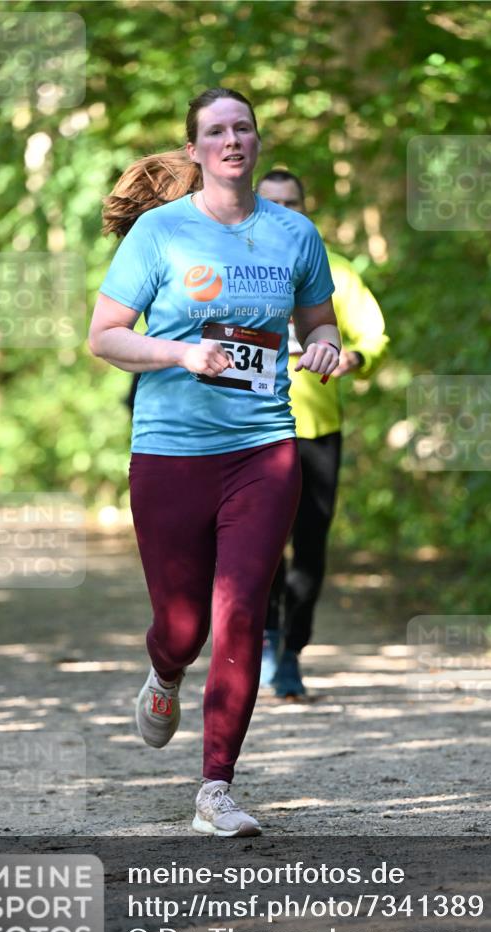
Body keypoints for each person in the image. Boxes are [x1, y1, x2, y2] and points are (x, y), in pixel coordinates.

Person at [88, 89, 341, 837]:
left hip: (263, 448)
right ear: (195, 150)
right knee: (183, 625)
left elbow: (317, 320)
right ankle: (164, 671)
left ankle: (217, 789)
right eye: (215, 131)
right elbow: (104, 336)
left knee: (240, 612)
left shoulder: (295, 235)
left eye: (243, 128)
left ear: (256, 142)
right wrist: (180, 353)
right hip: (169, 452)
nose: (232, 140)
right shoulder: (159, 234)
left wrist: (322, 344)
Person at [255, 170, 388, 698]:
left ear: (305, 209)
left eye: (293, 203)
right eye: (272, 204)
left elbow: (372, 332)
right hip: (250, 425)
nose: (284, 212)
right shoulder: (235, 264)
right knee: (257, 544)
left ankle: (293, 651)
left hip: (316, 427)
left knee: (309, 547)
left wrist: (355, 356)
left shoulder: (335, 269)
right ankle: (263, 636)